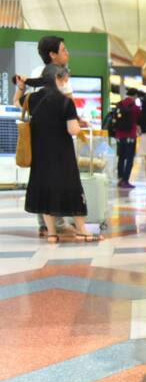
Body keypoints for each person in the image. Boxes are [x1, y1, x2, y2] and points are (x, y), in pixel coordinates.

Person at [13, 65, 98, 244]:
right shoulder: (66, 102)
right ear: (58, 79)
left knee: (46, 190)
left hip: (40, 154)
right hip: (62, 154)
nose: (65, 84)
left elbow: (16, 103)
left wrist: (21, 87)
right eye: (65, 80)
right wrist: (81, 128)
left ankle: (52, 234)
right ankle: (82, 230)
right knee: (72, 188)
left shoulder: (32, 98)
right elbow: (72, 129)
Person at [20, 36, 73, 237]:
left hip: (39, 136)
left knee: (42, 178)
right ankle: (57, 223)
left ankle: (45, 224)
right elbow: (65, 103)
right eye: (63, 49)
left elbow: (28, 102)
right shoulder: (56, 75)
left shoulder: (37, 73)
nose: (67, 53)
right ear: (52, 54)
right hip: (56, 136)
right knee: (57, 178)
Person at [115, 88, 142, 189]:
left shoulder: (119, 104)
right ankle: (125, 180)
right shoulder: (135, 107)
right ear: (135, 95)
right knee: (130, 159)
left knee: (121, 157)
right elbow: (139, 118)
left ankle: (120, 178)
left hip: (119, 136)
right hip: (130, 136)